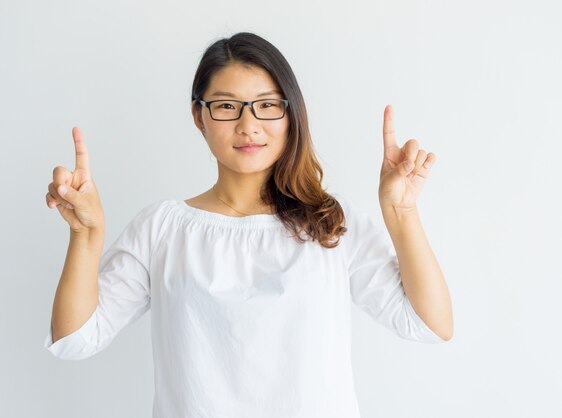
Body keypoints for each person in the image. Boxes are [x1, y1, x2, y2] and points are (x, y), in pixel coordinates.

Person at [43, 32, 453, 418]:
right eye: (226, 106)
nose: (248, 125)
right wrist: (85, 234)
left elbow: (430, 324)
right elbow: (75, 338)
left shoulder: (330, 224)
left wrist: (401, 213)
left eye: (267, 104)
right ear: (198, 117)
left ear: (290, 113)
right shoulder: (162, 229)